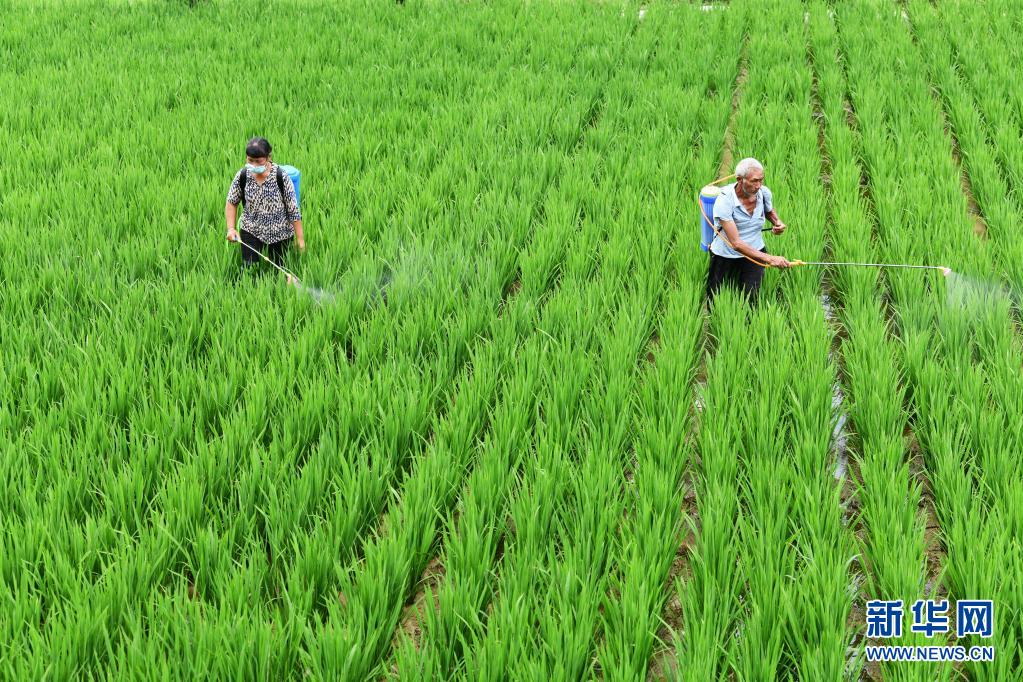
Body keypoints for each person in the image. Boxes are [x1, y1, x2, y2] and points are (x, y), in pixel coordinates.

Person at [706, 157, 791, 303]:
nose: (758, 185)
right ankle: (720, 321)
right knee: (715, 297)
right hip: (725, 254)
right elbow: (736, 243)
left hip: (755, 249)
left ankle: (748, 323)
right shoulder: (724, 201)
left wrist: (777, 222)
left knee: (751, 296)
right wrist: (771, 259)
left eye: (761, 180)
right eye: (754, 181)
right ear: (740, 179)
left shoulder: (764, 193)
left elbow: (769, 211)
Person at [225, 137, 305, 281]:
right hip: (251, 229)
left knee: (280, 271)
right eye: (250, 160)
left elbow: (293, 210)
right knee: (248, 270)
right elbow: (232, 202)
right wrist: (231, 228)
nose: (254, 165)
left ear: (268, 158)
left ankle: (279, 295)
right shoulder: (242, 176)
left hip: (280, 232)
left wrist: (300, 239)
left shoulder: (281, 177)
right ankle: (248, 295)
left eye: (259, 161)